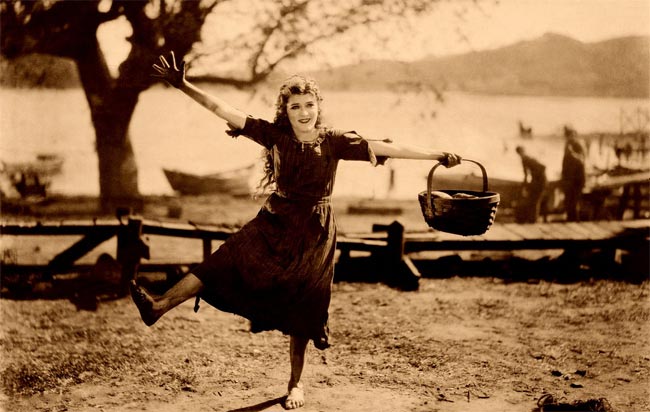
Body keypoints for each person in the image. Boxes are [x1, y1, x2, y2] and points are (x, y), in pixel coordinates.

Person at [132, 51, 461, 410]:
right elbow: (222, 109)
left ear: (318, 106)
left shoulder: (334, 141)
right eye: (295, 107)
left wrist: (436, 154)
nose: (304, 113)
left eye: (309, 105)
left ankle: (296, 385)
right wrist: (183, 85)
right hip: (274, 220)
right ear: (285, 112)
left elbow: (387, 147)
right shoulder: (273, 135)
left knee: (306, 303)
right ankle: (159, 305)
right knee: (222, 260)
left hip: (315, 233)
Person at [515, 146, 547, 223]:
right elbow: (541, 167)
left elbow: (542, 167)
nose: (521, 154)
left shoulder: (526, 159)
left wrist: (525, 184)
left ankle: (533, 219)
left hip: (540, 181)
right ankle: (533, 219)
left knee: (534, 200)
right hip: (540, 180)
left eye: (521, 152)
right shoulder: (528, 158)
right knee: (534, 200)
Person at [561, 125, 586, 222]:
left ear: (575, 135)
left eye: (571, 135)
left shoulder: (578, 145)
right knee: (568, 201)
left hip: (577, 179)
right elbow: (566, 162)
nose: (569, 137)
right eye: (568, 135)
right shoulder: (568, 144)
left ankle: (574, 221)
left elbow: (581, 159)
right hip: (568, 178)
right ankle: (570, 220)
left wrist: (572, 153)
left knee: (574, 201)